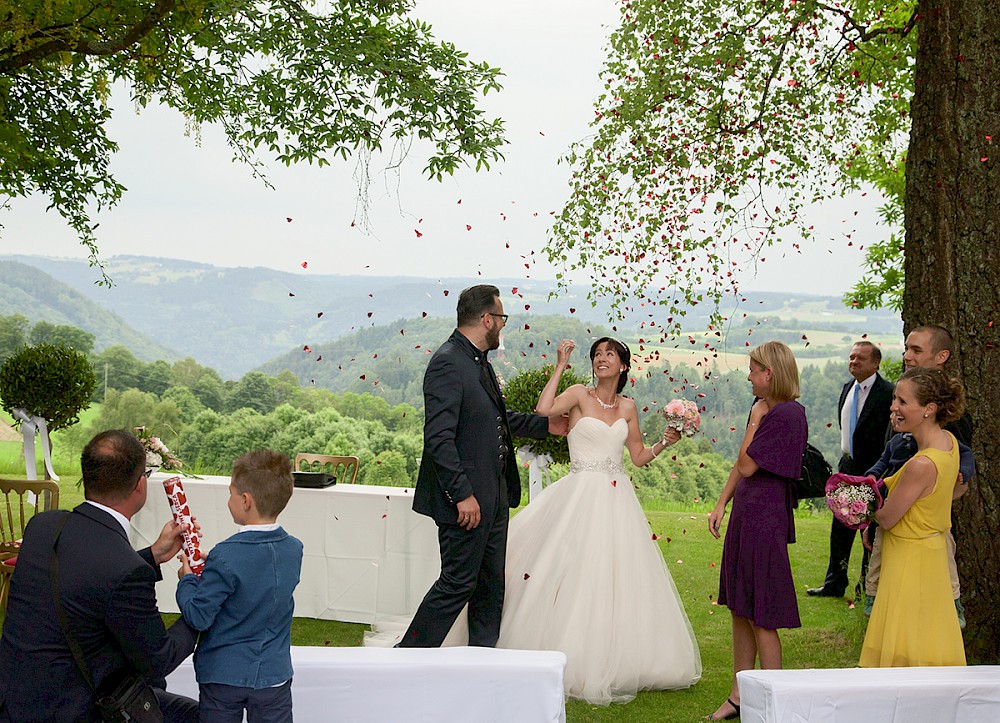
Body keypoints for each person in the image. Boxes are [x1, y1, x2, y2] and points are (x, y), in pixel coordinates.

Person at [496, 338, 701, 704]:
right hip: (579, 493)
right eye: (597, 355)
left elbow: (637, 456)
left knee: (616, 576)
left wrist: (664, 443)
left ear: (623, 365)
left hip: (617, 497)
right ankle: (569, 652)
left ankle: (620, 656)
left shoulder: (628, 406)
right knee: (573, 570)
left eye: (609, 354)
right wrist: (561, 364)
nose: (601, 359)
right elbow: (544, 410)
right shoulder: (578, 394)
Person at [399, 284, 565, 648]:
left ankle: (481, 661)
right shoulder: (448, 362)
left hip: (494, 495)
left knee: (490, 587)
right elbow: (439, 439)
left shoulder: (477, 360)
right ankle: (405, 657)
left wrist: (545, 425)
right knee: (457, 583)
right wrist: (462, 495)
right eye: (501, 318)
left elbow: (494, 418)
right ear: (486, 319)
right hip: (467, 502)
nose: (503, 326)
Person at [0, 429, 198, 723]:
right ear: (140, 485)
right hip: (77, 708)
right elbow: (159, 659)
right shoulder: (125, 571)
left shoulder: (43, 527)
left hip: (15, 699)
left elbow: (85, 581)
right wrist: (200, 604)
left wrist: (152, 555)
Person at [707, 341, 808, 721]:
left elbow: (748, 464)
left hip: (766, 517)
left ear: (770, 373)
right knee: (739, 605)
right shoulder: (762, 408)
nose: (748, 376)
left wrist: (754, 420)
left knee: (761, 610)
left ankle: (773, 696)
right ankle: (739, 694)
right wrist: (721, 503)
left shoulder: (786, 415)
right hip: (746, 513)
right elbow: (741, 462)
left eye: (753, 370)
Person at [175, 449, 303, 722]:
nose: (229, 499)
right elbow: (260, 579)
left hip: (224, 675)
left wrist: (186, 580)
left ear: (246, 501)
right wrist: (218, 567)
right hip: (273, 674)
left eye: (231, 493)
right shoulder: (294, 549)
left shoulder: (226, 555)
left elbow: (199, 615)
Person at [862, 325, 975, 624]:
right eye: (906, 349)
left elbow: (957, 476)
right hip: (893, 514)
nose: (907, 356)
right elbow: (888, 460)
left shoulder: (949, 424)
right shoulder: (904, 403)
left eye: (916, 350)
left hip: (919, 535)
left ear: (942, 356)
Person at [859, 367, 967, 667]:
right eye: (895, 399)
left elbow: (888, 518)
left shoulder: (921, 464)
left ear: (928, 409)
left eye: (903, 402)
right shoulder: (948, 443)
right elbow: (956, 490)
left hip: (910, 561)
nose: (894, 407)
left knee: (906, 642)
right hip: (932, 555)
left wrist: (857, 505)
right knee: (929, 636)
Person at [807, 341, 893, 598]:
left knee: (871, 529)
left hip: (873, 470)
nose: (853, 362)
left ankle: (866, 586)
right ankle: (834, 583)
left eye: (860, 358)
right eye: (851, 357)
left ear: (875, 363)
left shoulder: (886, 392)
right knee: (840, 529)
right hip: (848, 467)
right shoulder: (847, 388)